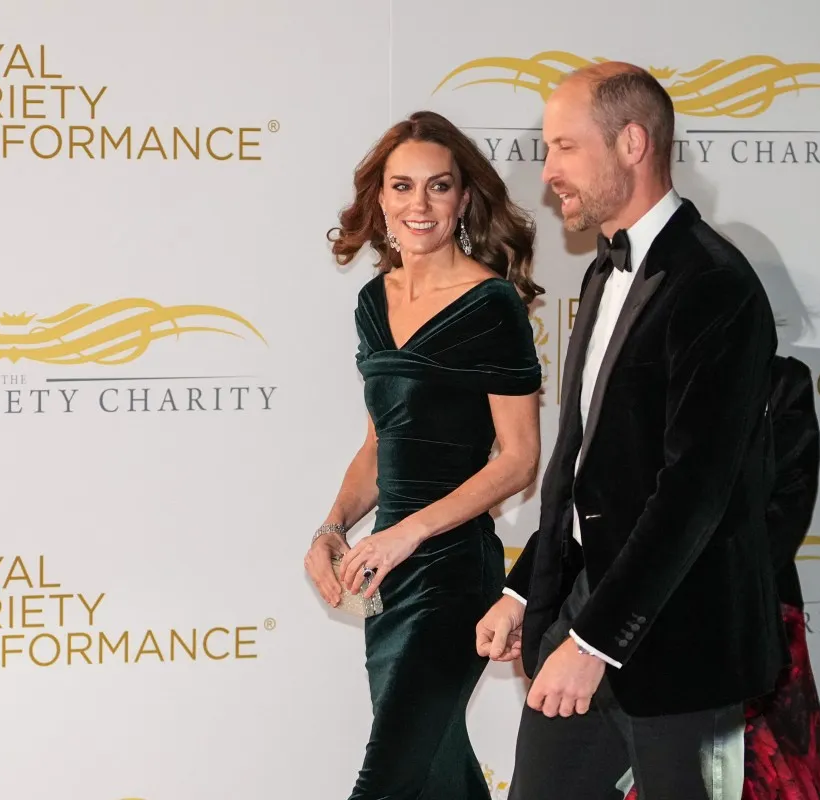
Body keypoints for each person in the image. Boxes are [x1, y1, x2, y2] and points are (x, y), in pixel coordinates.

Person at [475, 62, 783, 799]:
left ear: (633, 143)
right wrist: (526, 591)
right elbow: (593, 473)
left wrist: (594, 642)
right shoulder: (601, 274)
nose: (547, 172)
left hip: (679, 639)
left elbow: (692, 494)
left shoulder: (716, 284)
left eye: (564, 148)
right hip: (585, 610)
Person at [305, 109, 545, 799]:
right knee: (440, 775)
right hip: (385, 577)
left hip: (448, 571)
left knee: (386, 782)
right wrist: (331, 528)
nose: (419, 205)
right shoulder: (372, 303)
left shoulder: (491, 305)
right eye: (402, 187)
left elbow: (521, 459)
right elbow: (381, 446)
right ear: (379, 199)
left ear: (464, 198)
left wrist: (410, 530)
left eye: (438, 187)